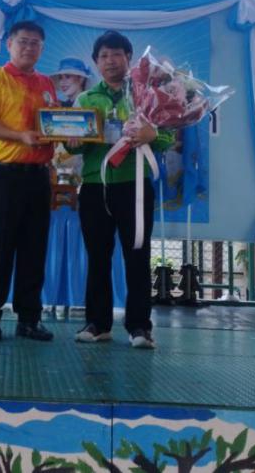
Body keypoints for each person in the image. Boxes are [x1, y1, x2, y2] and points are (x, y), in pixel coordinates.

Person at [68, 31, 174, 349]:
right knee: (97, 257)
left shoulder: (146, 94)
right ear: (95, 62)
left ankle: (139, 327)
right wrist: (70, 141)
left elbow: (168, 136)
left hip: (135, 185)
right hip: (94, 186)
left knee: (137, 256)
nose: (110, 60)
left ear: (129, 58)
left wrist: (152, 134)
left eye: (116, 54)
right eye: (103, 56)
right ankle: (98, 324)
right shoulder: (85, 99)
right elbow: (72, 145)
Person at [0, 20, 57, 341]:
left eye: (35, 43)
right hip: (3, 175)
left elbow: (54, 125)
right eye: (23, 41)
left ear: (42, 49)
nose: (28, 47)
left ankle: (29, 319)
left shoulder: (47, 83)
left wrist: (71, 135)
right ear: (9, 44)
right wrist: (20, 136)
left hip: (39, 176)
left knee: (35, 249)